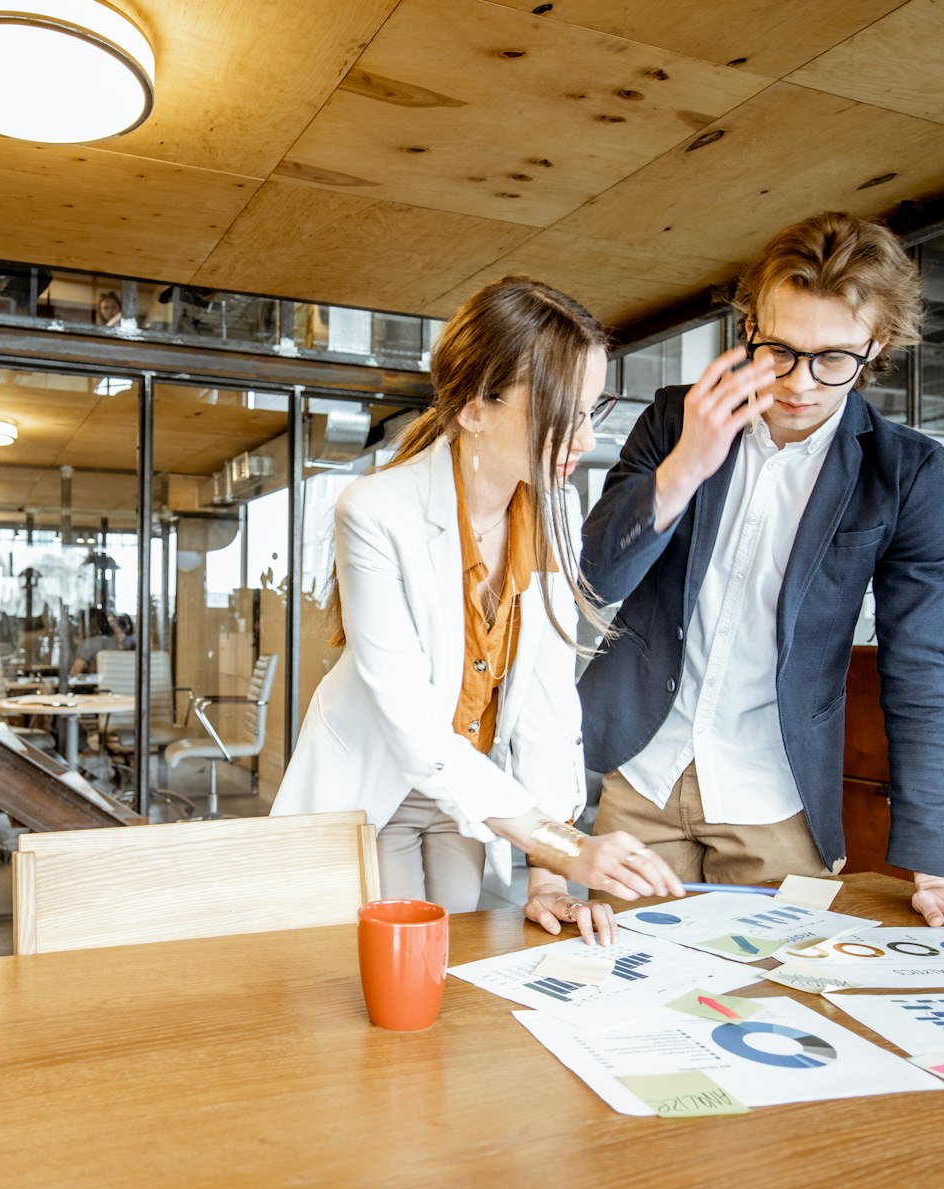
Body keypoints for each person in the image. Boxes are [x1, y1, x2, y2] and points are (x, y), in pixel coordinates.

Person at [579, 212, 944, 947]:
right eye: (781, 352)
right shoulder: (677, 418)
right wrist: (687, 464)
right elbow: (596, 574)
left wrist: (937, 860)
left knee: (773, 1012)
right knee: (618, 995)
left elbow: (922, 663)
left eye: (833, 358)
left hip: (776, 795)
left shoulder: (904, 472)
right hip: (642, 773)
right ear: (749, 327)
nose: (800, 383)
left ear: (877, 346)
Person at [274, 276, 685, 943]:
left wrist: (551, 873)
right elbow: (414, 731)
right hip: (372, 788)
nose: (582, 438)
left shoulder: (556, 509)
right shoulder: (375, 513)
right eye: (561, 410)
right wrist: (567, 847)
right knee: (385, 967)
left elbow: (550, 704)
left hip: (471, 798)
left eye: (590, 409)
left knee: (459, 961)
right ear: (474, 407)